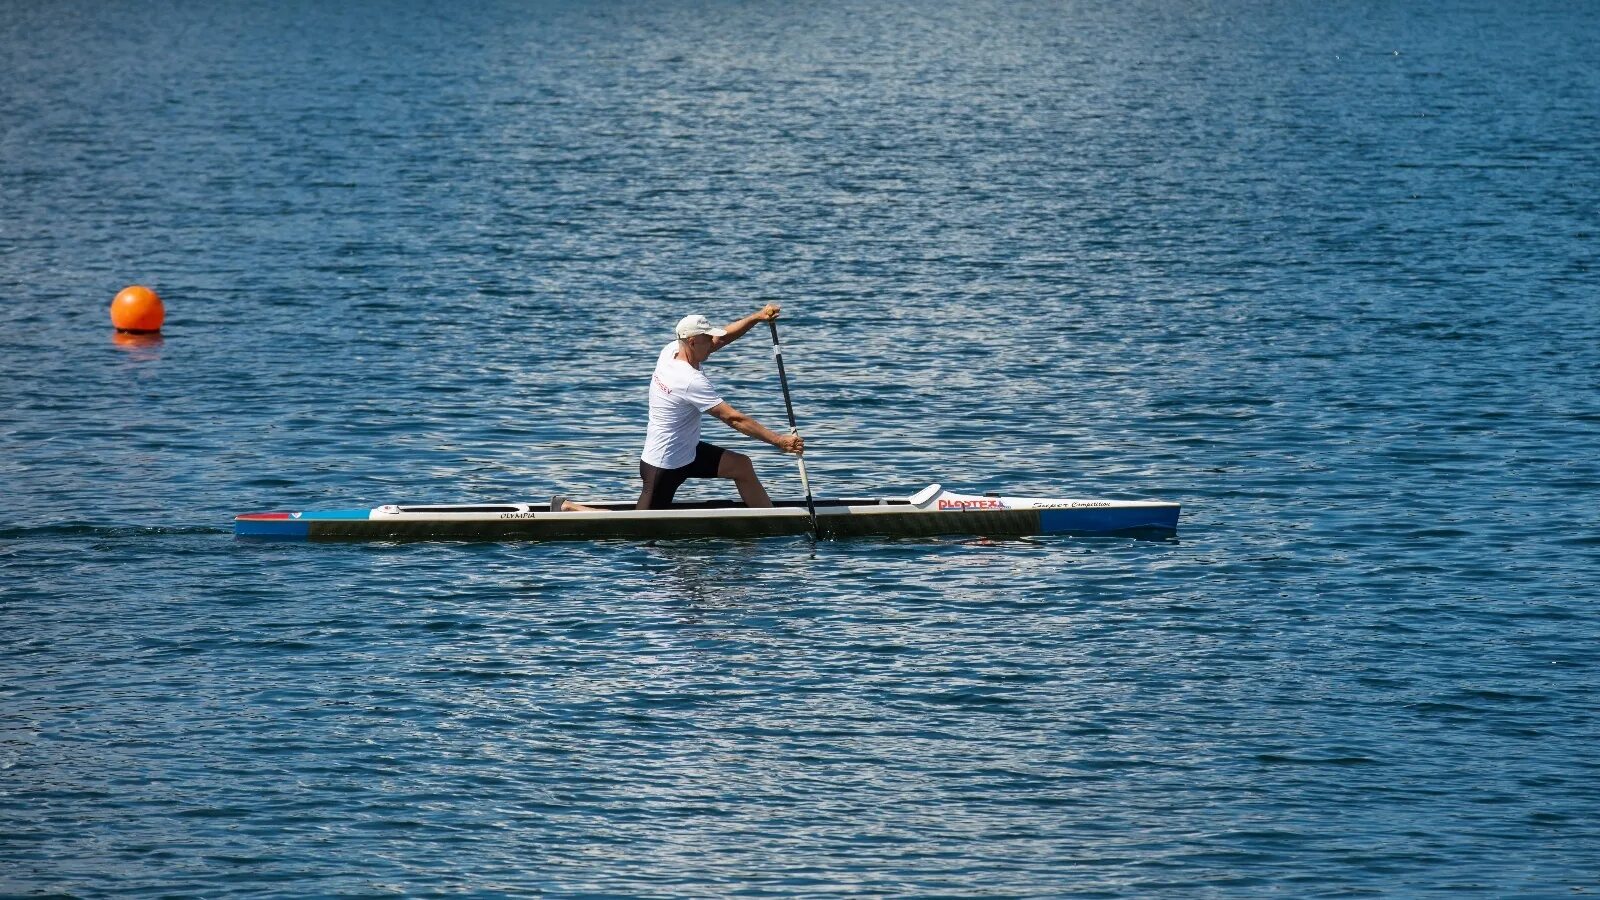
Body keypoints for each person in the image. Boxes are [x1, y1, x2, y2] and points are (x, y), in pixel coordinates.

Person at [630, 304, 804, 510]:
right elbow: (733, 418)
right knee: (640, 533)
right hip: (664, 464)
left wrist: (757, 317)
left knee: (742, 466)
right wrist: (779, 441)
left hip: (688, 451)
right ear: (693, 342)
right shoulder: (688, 380)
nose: (713, 343)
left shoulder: (672, 350)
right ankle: (583, 514)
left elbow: (722, 338)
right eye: (707, 339)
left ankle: (771, 521)